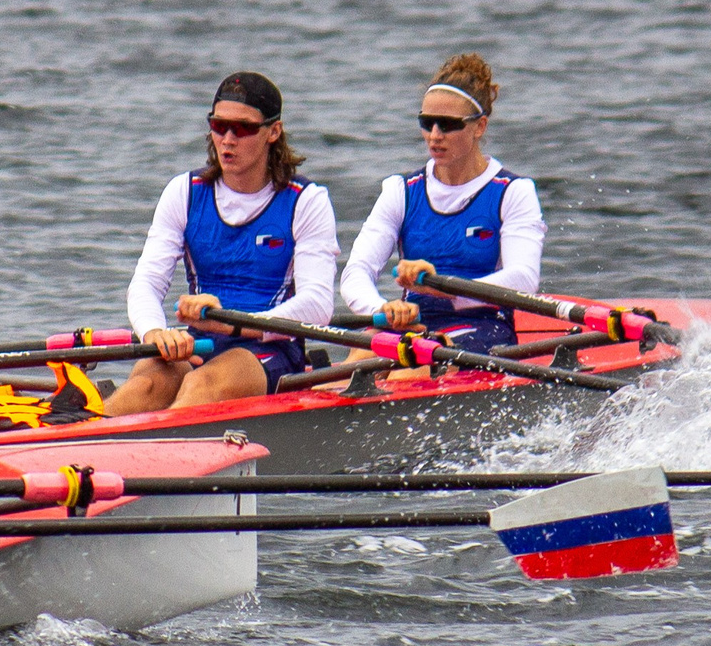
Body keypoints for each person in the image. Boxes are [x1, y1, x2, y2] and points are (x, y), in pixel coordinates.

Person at [104, 71, 340, 415]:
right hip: (200, 342)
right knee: (145, 385)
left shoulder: (306, 201)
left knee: (202, 385)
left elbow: (318, 305)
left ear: (273, 132)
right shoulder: (184, 192)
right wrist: (155, 332)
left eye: (243, 129)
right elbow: (146, 284)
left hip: (271, 347)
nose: (228, 139)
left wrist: (234, 323)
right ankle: (73, 455)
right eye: (219, 126)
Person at [339, 52, 545, 357]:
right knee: (355, 363)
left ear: (480, 126)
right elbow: (356, 272)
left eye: (448, 125)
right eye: (427, 122)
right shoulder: (401, 191)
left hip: (483, 326)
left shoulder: (513, 192)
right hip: (416, 325)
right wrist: (383, 307)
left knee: (416, 363)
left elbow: (523, 279)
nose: (435, 135)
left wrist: (445, 287)